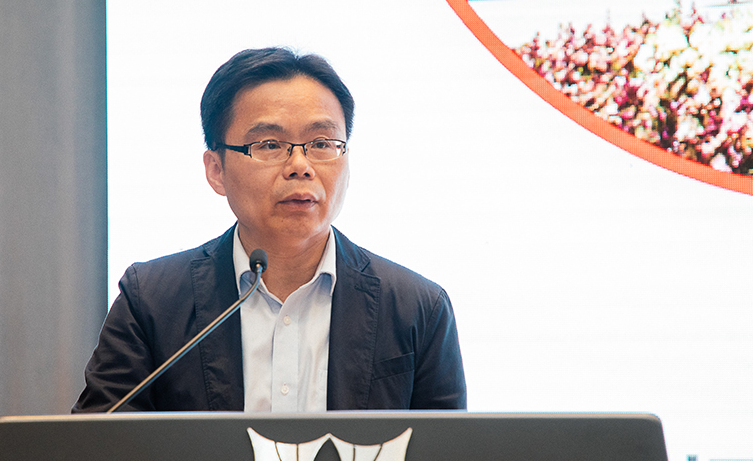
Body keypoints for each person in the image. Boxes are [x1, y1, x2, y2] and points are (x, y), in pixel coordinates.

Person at [73, 47, 466, 412]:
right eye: (269, 145)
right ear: (216, 170)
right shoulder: (152, 302)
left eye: (322, 143)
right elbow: (97, 449)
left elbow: (446, 458)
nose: (300, 166)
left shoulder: (417, 308)